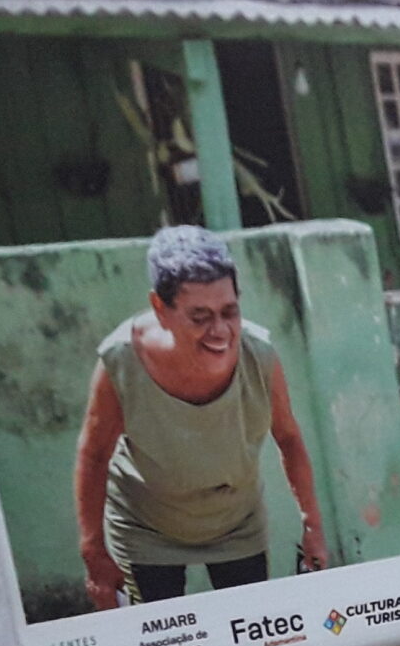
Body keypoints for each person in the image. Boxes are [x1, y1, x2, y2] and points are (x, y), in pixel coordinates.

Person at [75, 225, 328, 609]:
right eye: (200, 317)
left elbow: (289, 438)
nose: (220, 331)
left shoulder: (259, 356)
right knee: (162, 639)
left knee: (253, 629)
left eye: (230, 312)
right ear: (160, 309)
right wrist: (93, 551)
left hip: (236, 522)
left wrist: (312, 526)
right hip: (147, 526)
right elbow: (94, 455)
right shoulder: (122, 361)